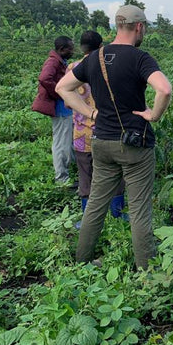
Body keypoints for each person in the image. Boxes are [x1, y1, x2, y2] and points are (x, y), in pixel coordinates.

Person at [57, 5, 172, 269]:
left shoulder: (94, 57)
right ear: (139, 27)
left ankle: (81, 262)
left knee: (95, 205)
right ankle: (148, 272)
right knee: (140, 208)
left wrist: (90, 113)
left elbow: (62, 87)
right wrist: (153, 116)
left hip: (101, 142)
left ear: (117, 26)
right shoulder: (140, 58)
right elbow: (164, 89)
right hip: (135, 144)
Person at [68, 31, 127, 229]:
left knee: (86, 177)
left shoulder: (72, 68)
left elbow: (68, 103)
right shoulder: (110, 67)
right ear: (101, 46)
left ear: (80, 47)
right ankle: (117, 216)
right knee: (115, 174)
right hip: (109, 132)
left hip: (82, 135)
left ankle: (88, 220)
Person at [32, 36, 75, 184]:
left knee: (67, 142)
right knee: (61, 144)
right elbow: (44, 78)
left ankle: (67, 173)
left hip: (65, 108)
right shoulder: (53, 61)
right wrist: (59, 91)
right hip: (60, 108)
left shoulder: (59, 61)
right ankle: (61, 179)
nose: (72, 51)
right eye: (70, 48)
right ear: (62, 49)